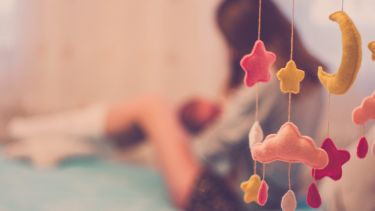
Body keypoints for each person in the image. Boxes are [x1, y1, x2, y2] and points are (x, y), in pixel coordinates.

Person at [5, 0, 326, 210]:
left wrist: (180, 134)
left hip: (223, 202)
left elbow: (208, 151)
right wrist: (216, 117)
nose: (229, 53)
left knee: (153, 108)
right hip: (269, 199)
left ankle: (41, 133)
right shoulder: (307, 73)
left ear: (245, 39)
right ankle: (56, 141)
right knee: (156, 114)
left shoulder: (268, 79)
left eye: (230, 44)